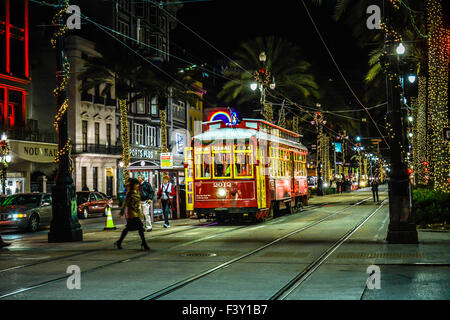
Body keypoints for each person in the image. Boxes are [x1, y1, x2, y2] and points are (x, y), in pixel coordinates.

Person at [115, 178, 149, 250]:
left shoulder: (137, 192)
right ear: (133, 185)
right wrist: (121, 212)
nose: (138, 185)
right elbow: (125, 203)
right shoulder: (130, 193)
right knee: (140, 227)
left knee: (128, 228)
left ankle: (119, 241)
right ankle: (144, 243)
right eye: (136, 184)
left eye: (138, 184)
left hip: (136, 213)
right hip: (132, 213)